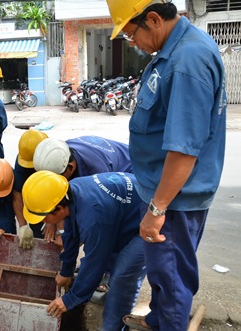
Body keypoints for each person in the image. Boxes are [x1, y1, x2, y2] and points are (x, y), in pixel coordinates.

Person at [106, 0, 227, 329]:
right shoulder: (174, 53)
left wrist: (156, 211)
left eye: (132, 35)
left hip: (174, 197)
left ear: (154, 19)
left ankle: (168, 322)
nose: (134, 44)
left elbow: (184, 151)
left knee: (172, 279)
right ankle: (158, 319)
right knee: (163, 270)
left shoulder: (187, 61)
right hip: (165, 191)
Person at [22, 170, 146, 331]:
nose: (44, 222)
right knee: (111, 263)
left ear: (58, 209)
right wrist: (66, 270)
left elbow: (95, 261)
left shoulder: (93, 219)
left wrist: (71, 299)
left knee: (122, 277)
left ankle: (112, 328)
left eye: (44, 217)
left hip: (153, 221)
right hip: (128, 210)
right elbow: (71, 233)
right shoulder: (70, 191)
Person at [12, 129, 48, 249]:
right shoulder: (23, 160)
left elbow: (62, 197)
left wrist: (54, 224)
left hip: (51, 200)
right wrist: (23, 226)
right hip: (34, 200)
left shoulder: (54, 160)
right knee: (37, 234)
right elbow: (17, 194)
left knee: (55, 236)